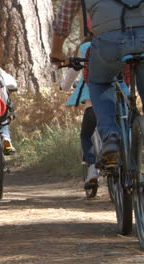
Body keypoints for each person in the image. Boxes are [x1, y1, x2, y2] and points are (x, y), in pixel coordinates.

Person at [50, 0, 144, 168]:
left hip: (109, 42)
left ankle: (110, 136)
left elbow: (64, 18)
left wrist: (56, 51)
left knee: (100, 81)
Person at [62, 42, 100, 189]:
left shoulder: (87, 47)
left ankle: (92, 169)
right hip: (120, 101)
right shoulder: (122, 39)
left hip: (93, 106)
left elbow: (73, 71)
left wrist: (64, 86)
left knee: (86, 135)